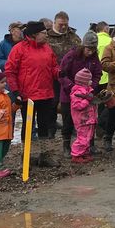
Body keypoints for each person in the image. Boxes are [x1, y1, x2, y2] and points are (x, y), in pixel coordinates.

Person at [5, 20, 60, 167]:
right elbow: (10, 71)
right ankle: (26, 157)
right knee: (28, 126)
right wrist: (16, 91)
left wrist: (60, 73)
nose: (46, 35)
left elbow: (53, 67)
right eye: (43, 33)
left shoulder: (47, 48)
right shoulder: (19, 49)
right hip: (27, 95)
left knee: (45, 125)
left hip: (46, 94)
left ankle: (45, 156)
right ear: (34, 34)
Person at [58, 31, 102, 156]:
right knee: (68, 121)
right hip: (69, 94)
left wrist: (92, 87)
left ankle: (90, 144)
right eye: (89, 48)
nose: (91, 52)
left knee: (90, 120)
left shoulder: (94, 58)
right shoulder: (71, 55)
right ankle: (66, 146)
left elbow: (98, 73)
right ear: (83, 46)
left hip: (87, 95)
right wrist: (72, 87)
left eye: (93, 49)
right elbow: (61, 74)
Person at [46, 11, 82, 139]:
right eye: (60, 24)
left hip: (70, 76)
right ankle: (51, 128)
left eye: (65, 25)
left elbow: (80, 53)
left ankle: (70, 128)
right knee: (52, 103)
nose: (63, 27)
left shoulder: (73, 37)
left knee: (70, 103)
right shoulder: (46, 37)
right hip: (52, 76)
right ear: (54, 23)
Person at [69, 68, 97, 164]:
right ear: (84, 82)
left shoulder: (88, 90)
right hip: (82, 119)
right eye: (89, 80)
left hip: (89, 118)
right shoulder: (77, 92)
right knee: (82, 138)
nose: (91, 81)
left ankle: (84, 152)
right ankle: (76, 154)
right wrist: (87, 100)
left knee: (88, 137)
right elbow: (77, 105)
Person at [95, 21, 112, 132]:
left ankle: (97, 123)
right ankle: (102, 125)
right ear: (105, 29)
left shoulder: (92, 40)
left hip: (95, 77)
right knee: (108, 102)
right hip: (107, 76)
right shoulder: (111, 41)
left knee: (97, 102)